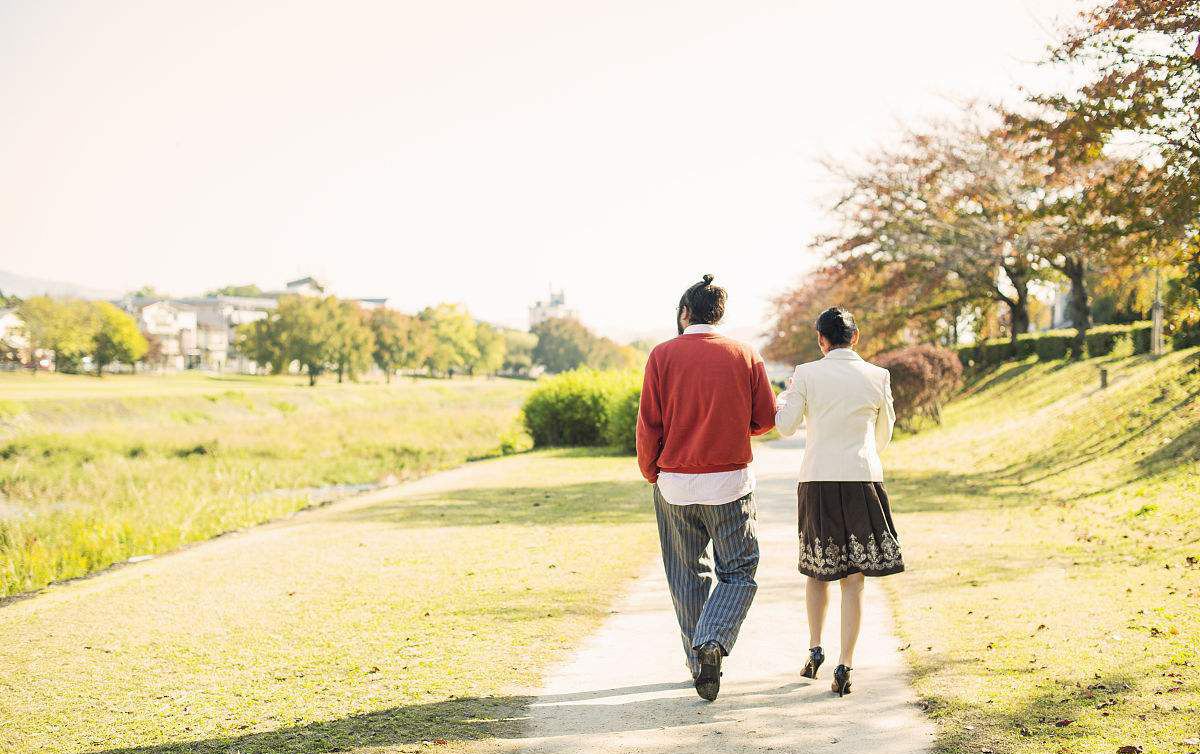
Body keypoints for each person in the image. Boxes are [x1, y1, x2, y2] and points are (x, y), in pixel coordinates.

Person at [635, 274, 777, 702]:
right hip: (730, 483)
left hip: (675, 481)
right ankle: (712, 640)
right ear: (720, 315)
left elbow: (649, 423)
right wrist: (735, 425)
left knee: (685, 574)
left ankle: (698, 662)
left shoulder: (661, 355)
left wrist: (650, 471)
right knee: (738, 571)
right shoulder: (744, 354)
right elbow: (766, 418)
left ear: (684, 314)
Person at [773, 307, 903, 697]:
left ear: (821, 339)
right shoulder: (878, 376)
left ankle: (815, 651)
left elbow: (784, 427)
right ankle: (845, 665)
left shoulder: (806, 374)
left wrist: (784, 396)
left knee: (817, 572)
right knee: (854, 579)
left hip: (818, 478)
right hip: (863, 478)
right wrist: (863, 453)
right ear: (856, 337)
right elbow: (885, 434)